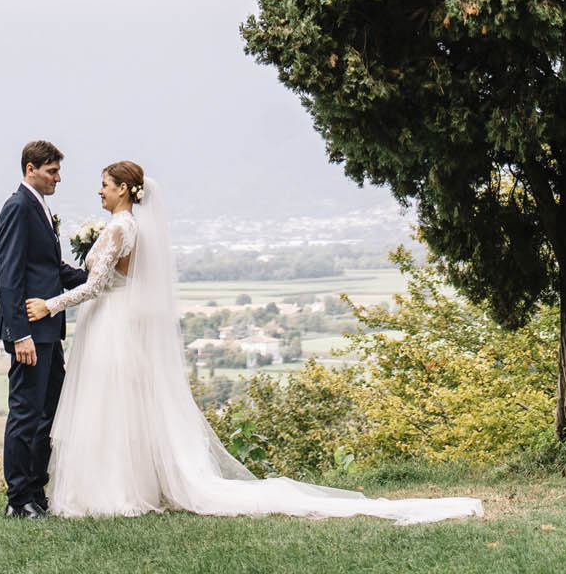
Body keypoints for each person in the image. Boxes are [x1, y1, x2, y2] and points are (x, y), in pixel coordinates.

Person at [26, 162, 483, 527]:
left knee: (108, 405)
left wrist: (50, 305)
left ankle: (110, 490)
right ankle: (126, 485)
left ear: (124, 190)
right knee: (121, 406)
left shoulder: (117, 229)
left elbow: (95, 286)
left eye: (104, 185)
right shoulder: (137, 229)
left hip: (112, 323)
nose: (99, 192)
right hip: (121, 321)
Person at [0, 138, 88, 518]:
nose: (58, 178)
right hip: (30, 332)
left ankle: (36, 491)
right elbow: (9, 275)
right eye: (52, 171)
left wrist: (95, 278)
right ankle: (18, 499)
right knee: (25, 414)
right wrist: (21, 335)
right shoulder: (17, 207)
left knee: (49, 411)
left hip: (50, 331)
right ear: (30, 169)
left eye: (58, 171)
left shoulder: (41, 207)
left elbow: (50, 270)